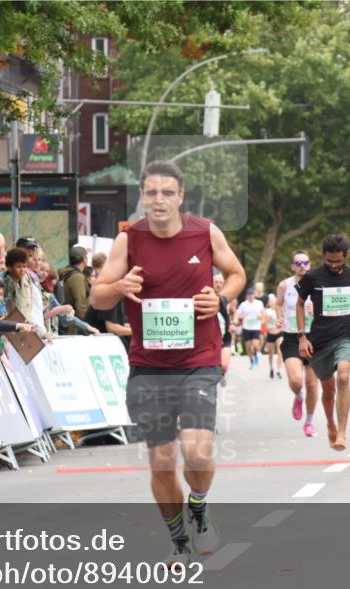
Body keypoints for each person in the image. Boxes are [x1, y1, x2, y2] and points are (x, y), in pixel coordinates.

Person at [90, 160, 245, 565]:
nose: (159, 200)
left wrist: (222, 298)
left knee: (197, 453)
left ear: (180, 196)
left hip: (199, 361)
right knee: (161, 461)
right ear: (142, 195)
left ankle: (199, 503)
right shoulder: (129, 240)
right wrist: (120, 286)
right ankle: (178, 539)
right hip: (148, 366)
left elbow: (236, 273)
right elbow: (97, 297)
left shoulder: (205, 232)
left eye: (167, 193)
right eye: (151, 192)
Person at [296, 234, 350, 451]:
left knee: (344, 377)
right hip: (320, 339)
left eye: (338, 261)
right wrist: (302, 336)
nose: (334, 265)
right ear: (324, 256)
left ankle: (342, 434)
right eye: (329, 261)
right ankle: (330, 423)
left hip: (347, 333)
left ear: (346, 256)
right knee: (328, 391)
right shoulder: (312, 277)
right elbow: (300, 304)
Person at [276, 249, 320, 437]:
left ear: (309, 264)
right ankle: (298, 396)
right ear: (293, 266)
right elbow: (279, 304)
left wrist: (315, 309)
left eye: (305, 263)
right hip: (292, 336)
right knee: (296, 380)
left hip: (314, 337)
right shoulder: (285, 285)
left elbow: (326, 308)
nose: (302, 266)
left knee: (312, 384)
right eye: (298, 263)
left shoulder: (318, 284)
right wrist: (279, 318)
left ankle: (309, 422)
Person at [59, 246, 90, 333]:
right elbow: (80, 306)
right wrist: (86, 328)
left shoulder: (71, 274)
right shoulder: (77, 277)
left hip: (73, 325)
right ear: (84, 259)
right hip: (77, 329)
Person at [235, 288, 264, 369]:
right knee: (248, 346)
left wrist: (260, 317)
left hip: (256, 327)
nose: (250, 297)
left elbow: (263, 313)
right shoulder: (243, 304)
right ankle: (251, 363)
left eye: (252, 295)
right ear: (247, 296)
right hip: (246, 327)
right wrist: (241, 316)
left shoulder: (259, 303)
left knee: (255, 345)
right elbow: (238, 314)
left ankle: (256, 355)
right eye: (249, 295)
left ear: (254, 295)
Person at [212, 272, 231, 381]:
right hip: (209, 339)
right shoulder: (206, 297)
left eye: (221, 282)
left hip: (224, 337)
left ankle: (221, 375)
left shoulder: (227, 298)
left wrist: (233, 323)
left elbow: (233, 313)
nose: (218, 284)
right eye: (216, 282)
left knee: (223, 366)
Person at [262, 294, 283, 379]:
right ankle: (271, 368)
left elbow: (284, 320)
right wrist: (268, 320)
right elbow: (263, 323)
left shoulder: (280, 310)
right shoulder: (267, 311)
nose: (273, 303)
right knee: (270, 354)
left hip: (279, 333)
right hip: (270, 333)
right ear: (269, 303)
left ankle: (278, 370)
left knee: (280, 351)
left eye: (274, 301)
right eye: (271, 302)